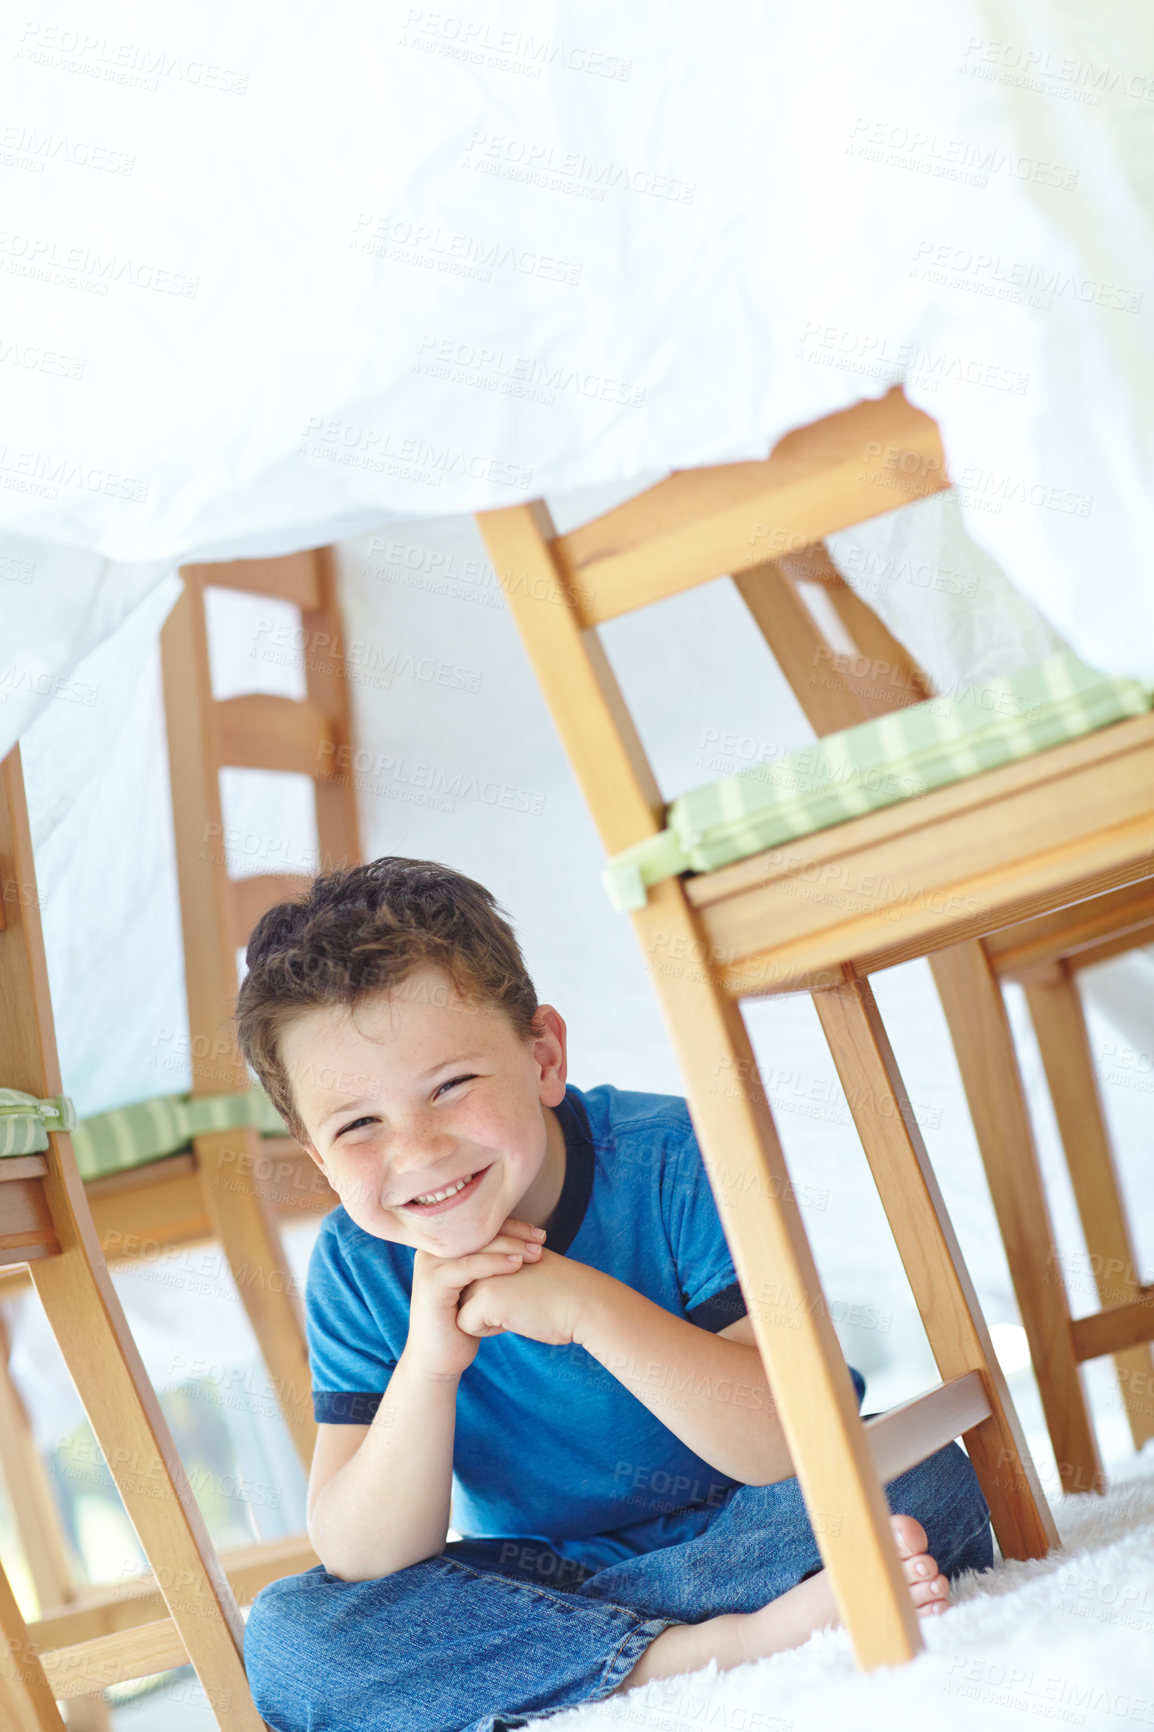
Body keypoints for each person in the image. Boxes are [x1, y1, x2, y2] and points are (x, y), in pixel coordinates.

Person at [236, 858, 993, 1732]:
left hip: (759, 1516)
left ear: (543, 1055)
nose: (417, 1150)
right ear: (317, 1154)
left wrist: (586, 1308)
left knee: (921, 1477)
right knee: (293, 1637)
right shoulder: (357, 1261)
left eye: (450, 1086)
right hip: (550, 1574)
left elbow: (788, 1440)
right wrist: (429, 1366)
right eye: (358, 1125)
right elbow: (366, 1553)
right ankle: (710, 1649)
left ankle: (578, 1659)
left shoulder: (673, 1155)